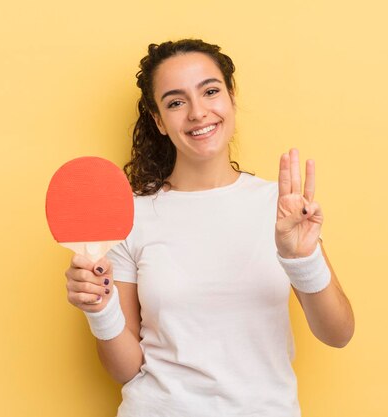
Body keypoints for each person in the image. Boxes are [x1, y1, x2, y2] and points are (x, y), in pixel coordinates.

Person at [64, 39, 354, 416]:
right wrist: (100, 310)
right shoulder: (131, 217)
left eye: (210, 91)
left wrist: (303, 260)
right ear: (159, 120)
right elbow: (125, 369)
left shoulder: (281, 208)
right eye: (176, 102)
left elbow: (338, 334)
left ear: (231, 97)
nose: (198, 112)